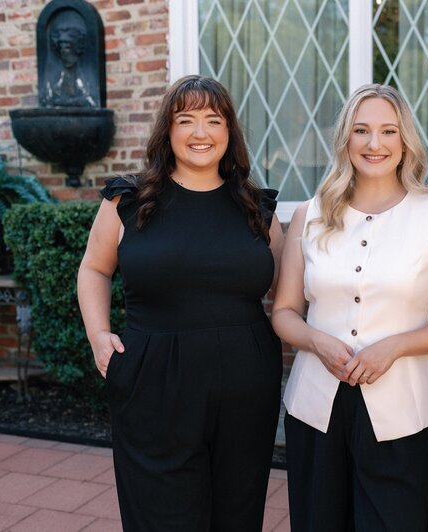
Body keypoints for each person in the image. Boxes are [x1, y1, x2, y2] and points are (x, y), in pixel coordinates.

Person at [76, 75, 284, 531]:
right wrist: (97, 334)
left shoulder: (257, 207)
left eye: (213, 120)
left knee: (237, 512)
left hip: (246, 384)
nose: (200, 132)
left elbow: (285, 293)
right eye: (185, 119)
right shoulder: (128, 200)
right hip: (154, 379)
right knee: (162, 515)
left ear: (229, 132)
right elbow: (94, 268)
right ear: (167, 132)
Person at [271, 83, 428, 532]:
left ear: (405, 142)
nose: (374, 144)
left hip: (401, 410)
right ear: (345, 139)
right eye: (361, 130)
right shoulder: (310, 214)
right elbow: (283, 312)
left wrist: (394, 347)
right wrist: (316, 340)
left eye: (388, 131)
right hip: (315, 406)